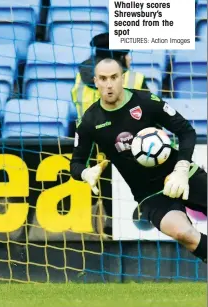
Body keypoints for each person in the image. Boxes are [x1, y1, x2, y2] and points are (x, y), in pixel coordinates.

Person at [70, 56, 207, 264]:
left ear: (122, 78)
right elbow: (76, 163)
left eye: (114, 77)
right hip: (149, 194)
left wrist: (181, 169)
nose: (109, 84)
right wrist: (85, 173)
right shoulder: (89, 121)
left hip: (181, 176)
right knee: (183, 233)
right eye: (103, 79)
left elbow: (186, 132)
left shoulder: (145, 101)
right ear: (95, 81)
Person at [71, 32, 149, 121]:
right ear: (120, 58)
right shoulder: (135, 79)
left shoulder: (79, 78)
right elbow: (149, 111)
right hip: (127, 134)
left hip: (87, 133)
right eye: (126, 54)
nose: (129, 58)